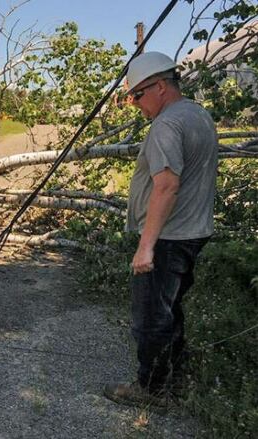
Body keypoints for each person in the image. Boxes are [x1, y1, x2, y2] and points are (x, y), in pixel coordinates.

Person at [103, 52, 218, 409]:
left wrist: (146, 247)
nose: (135, 103)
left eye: (138, 95)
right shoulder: (198, 114)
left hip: (168, 238)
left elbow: (166, 186)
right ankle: (174, 378)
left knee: (151, 317)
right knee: (170, 309)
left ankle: (150, 390)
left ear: (161, 87)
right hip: (193, 232)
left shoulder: (167, 124)